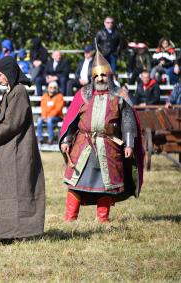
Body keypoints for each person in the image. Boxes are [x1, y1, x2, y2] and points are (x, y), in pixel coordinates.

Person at [59, 49, 144, 223]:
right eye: (97, 76)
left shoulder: (120, 95)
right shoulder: (83, 94)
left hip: (109, 146)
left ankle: (102, 219)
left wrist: (128, 144)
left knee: (106, 185)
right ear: (92, 78)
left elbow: (129, 122)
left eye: (104, 76)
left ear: (110, 76)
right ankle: (70, 218)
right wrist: (67, 139)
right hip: (84, 144)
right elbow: (72, 120)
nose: (100, 79)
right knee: (75, 183)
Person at [0, 56, 46, 242]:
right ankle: (4, 232)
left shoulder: (19, 92)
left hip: (18, 149)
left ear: (9, 73)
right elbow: (6, 122)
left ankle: (19, 232)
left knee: (18, 191)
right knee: (2, 190)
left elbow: (13, 124)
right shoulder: (10, 92)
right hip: (8, 147)